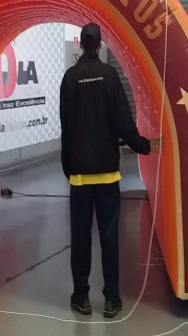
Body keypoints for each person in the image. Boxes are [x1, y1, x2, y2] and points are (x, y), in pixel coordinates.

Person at [60, 23, 161, 318]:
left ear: (81, 45)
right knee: (109, 237)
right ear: (100, 45)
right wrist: (144, 146)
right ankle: (112, 299)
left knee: (80, 238)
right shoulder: (109, 75)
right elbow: (124, 123)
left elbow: (67, 127)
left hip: (80, 176)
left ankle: (81, 297)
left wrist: (68, 168)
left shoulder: (70, 78)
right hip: (107, 175)